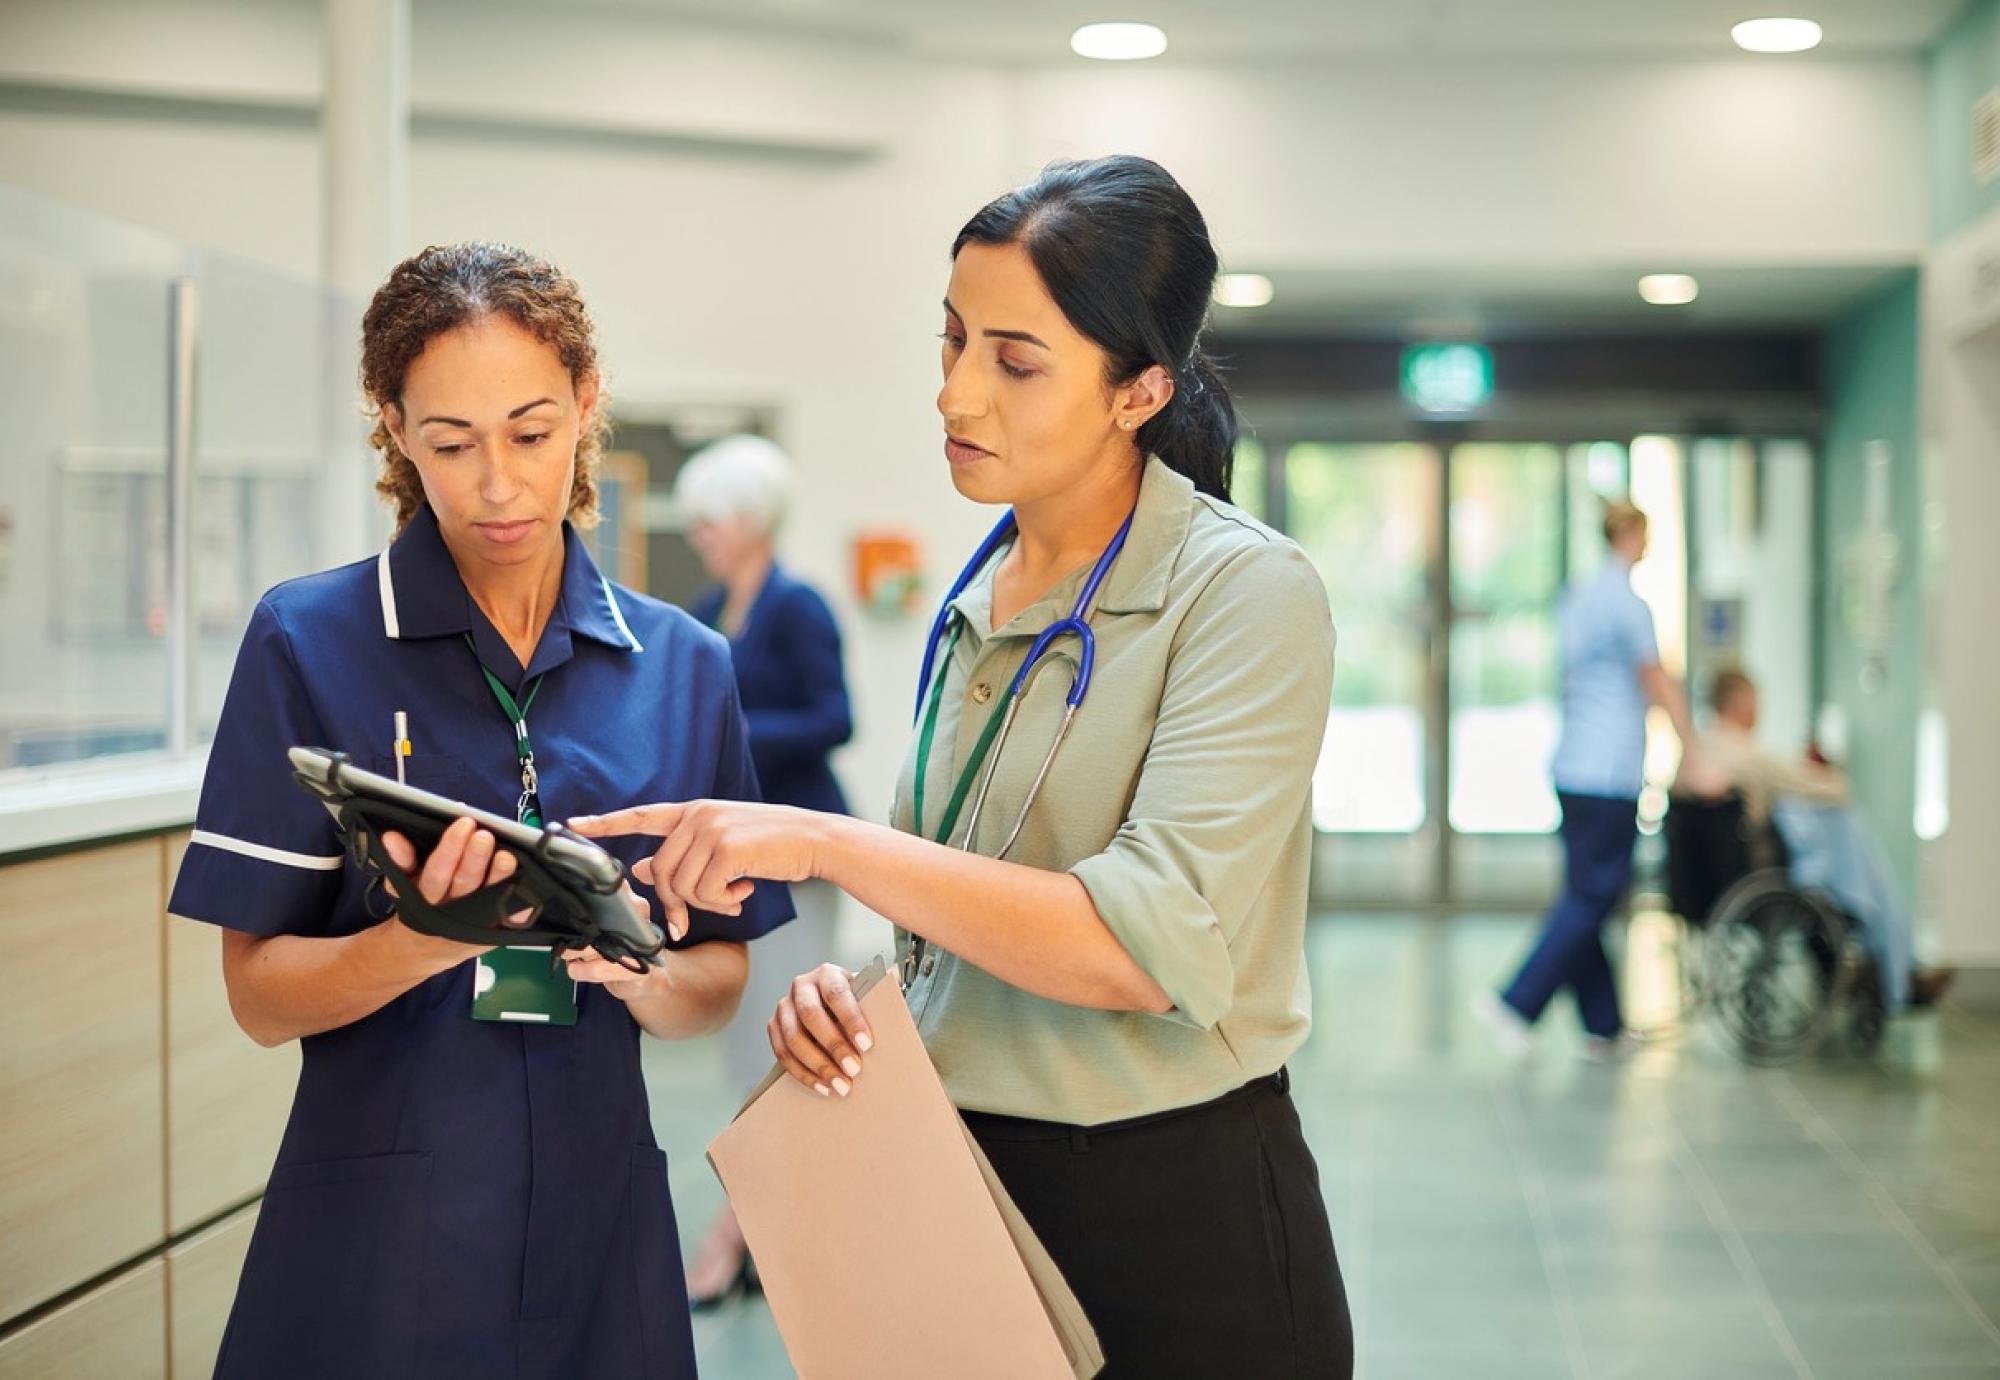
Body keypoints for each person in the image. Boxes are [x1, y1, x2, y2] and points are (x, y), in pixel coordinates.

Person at [575, 155, 1352, 1378]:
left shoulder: (1245, 593)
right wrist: (865, 1002)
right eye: (950, 343)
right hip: (962, 1188)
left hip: (1173, 1212)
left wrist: (827, 845)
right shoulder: (977, 593)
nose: (955, 395)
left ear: (1139, 388)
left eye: (1014, 360)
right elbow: (959, 904)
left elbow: (1135, 946)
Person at [167, 242, 790, 1378]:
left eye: (531, 432)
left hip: (604, 1223)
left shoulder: (684, 666)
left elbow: (716, 980)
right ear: (396, 429)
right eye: (451, 443)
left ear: (587, 408)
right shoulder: (307, 642)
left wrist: (636, 968)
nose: (496, 483)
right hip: (378, 1226)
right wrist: (424, 940)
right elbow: (259, 996)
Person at [673, 433, 854, 1306]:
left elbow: (834, 717)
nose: (700, 535)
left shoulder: (800, 607)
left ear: (749, 520)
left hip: (802, 856)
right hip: (739, 858)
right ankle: (761, 1228)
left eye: (709, 520)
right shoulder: (710, 605)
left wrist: (736, 737)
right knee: (749, 1047)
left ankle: (737, 1232)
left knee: (786, 1049)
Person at [1476, 499, 1712, 1058]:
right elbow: (1657, 681)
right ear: (1630, 535)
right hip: (1607, 773)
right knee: (1592, 896)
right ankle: (1516, 1000)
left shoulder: (1579, 597)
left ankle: (1602, 1025)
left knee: (1588, 894)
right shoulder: (1628, 604)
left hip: (1573, 767)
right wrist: (1694, 749)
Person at [1696, 668, 1954, 1012]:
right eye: (1755, 701)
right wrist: (1829, 775)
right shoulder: (1743, 752)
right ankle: (1899, 971)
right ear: (1737, 702)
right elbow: (1827, 787)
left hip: (1731, 871)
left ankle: (1892, 966)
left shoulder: (1704, 746)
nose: (1759, 710)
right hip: (1763, 869)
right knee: (1852, 836)